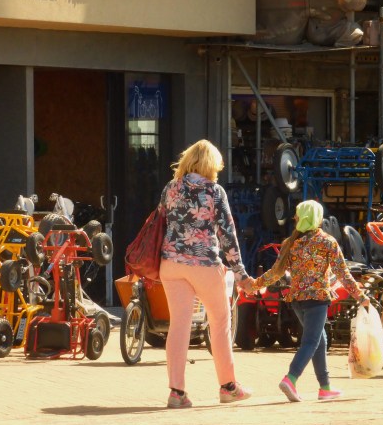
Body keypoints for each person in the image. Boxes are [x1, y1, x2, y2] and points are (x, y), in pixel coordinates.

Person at [158, 139, 257, 409]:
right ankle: (228, 387)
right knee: (220, 323)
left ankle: (176, 392)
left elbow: (161, 220)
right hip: (204, 264)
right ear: (211, 165)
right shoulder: (214, 192)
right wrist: (240, 273)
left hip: (171, 264)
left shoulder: (171, 188)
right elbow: (228, 234)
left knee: (179, 325)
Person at [252, 200, 370, 402]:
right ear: (317, 219)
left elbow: (276, 272)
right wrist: (360, 295)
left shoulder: (292, 242)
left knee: (319, 339)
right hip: (317, 299)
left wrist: (255, 284)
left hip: (297, 299)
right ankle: (291, 378)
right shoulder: (327, 241)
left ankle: (325, 387)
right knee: (310, 341)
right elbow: (343, 273)